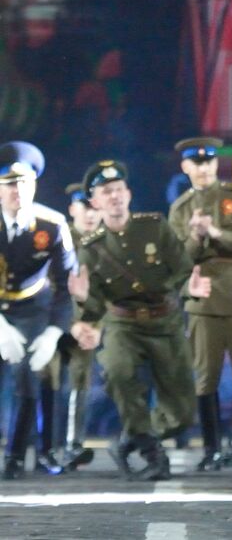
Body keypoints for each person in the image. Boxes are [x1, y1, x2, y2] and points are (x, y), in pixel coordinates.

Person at [69, 160, 208, 480]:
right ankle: (151, 452)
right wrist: (82, 299)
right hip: (123, 324)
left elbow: (183, 271)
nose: (115, 196)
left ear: (129, 194)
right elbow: (94, 307)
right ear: (95, 202)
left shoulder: (155, 227)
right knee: (118, 372)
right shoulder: (91, 249)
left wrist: (191, 289)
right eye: (106, 192)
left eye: (119, 189)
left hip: (165, 322)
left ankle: (131, 437)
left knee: (183, 413)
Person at [167, 136, 232, 472]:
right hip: (203, 298)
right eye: (196, 163)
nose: (204, 168)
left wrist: (216, 233)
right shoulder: (180, 209)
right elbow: (176, 260)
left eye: (208, 161)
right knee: (205, 376)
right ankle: (212, 448)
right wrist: (196, 237)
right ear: (185, 167)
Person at [0, 142, 76, 480]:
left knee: (29, 378)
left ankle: (16, 456)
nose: (17, 191)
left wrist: (53, 332)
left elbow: (66, 285)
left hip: (32, 309)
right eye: (9, 184)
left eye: (24, 183)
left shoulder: (52, 225)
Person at [55, 181, 100, 473]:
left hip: (88, 326)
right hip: (53, 322)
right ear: (73, 209)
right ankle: (45, 445)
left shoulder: (106, 243)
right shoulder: (57, 238)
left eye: (95, 208)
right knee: (47, 383)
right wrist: (70, 324)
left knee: (80, 382)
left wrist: (95, 327)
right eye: (85, 207)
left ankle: (73, 444)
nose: (91, 214)